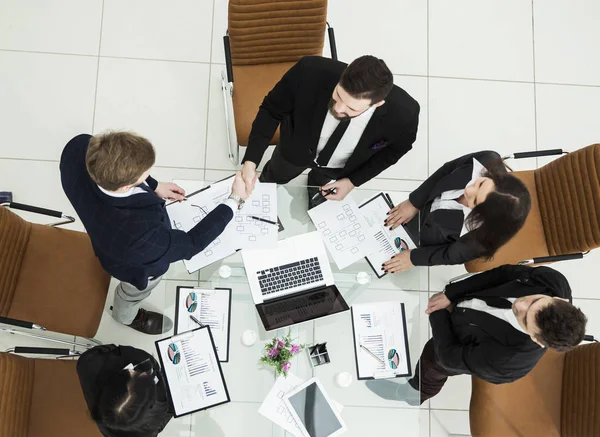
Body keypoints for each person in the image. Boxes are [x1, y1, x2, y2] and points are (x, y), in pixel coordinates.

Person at [60, 132, 254, 334]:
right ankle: (124, 316)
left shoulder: (79, 147)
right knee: (133, 291)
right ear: (126, 185)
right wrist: (235, 200)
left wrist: (153, 185)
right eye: (144, 174)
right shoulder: (139, 235)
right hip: (130, 265)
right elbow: (191, 243)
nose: (148, 174)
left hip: (99, 224)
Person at [366, 264, 587, 405]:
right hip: (465, 301)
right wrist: (451, 294)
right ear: (559, 300)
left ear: (536, 339)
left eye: (525, 319)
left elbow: (449, 357)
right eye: (533, 300)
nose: (520, 305)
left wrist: (438, 314)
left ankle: (412, 395)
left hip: (456, 341)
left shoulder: (509, 363)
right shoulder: (554, 283)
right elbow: (503, 274)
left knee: (431, 367)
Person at [239, 55, 420, 205]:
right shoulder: (309, 71)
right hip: (293, 149)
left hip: (339, 168)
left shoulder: (405, 114)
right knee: (275, 175)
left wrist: (352, 182)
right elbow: (272, 110)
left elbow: (396, 150)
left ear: (377, 104)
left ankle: (314, 189)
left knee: (319, 182)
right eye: (338, 95)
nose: (338, 109)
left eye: (352, 108)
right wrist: (251, 161)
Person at [382, 151, 532, 273]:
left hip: (431, 238)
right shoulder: (487, 160)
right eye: (480, 184)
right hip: (427, 205)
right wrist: (413, 202)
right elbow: (448, 169)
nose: (469, 190)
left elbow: (448, 255)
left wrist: (413, 258)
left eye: (474, 201)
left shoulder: (481, 241)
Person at [77, 344, 173, 437]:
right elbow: (166, 414)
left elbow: (112, 349)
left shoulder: (89, 361)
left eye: (130, 374)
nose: (132, 370)